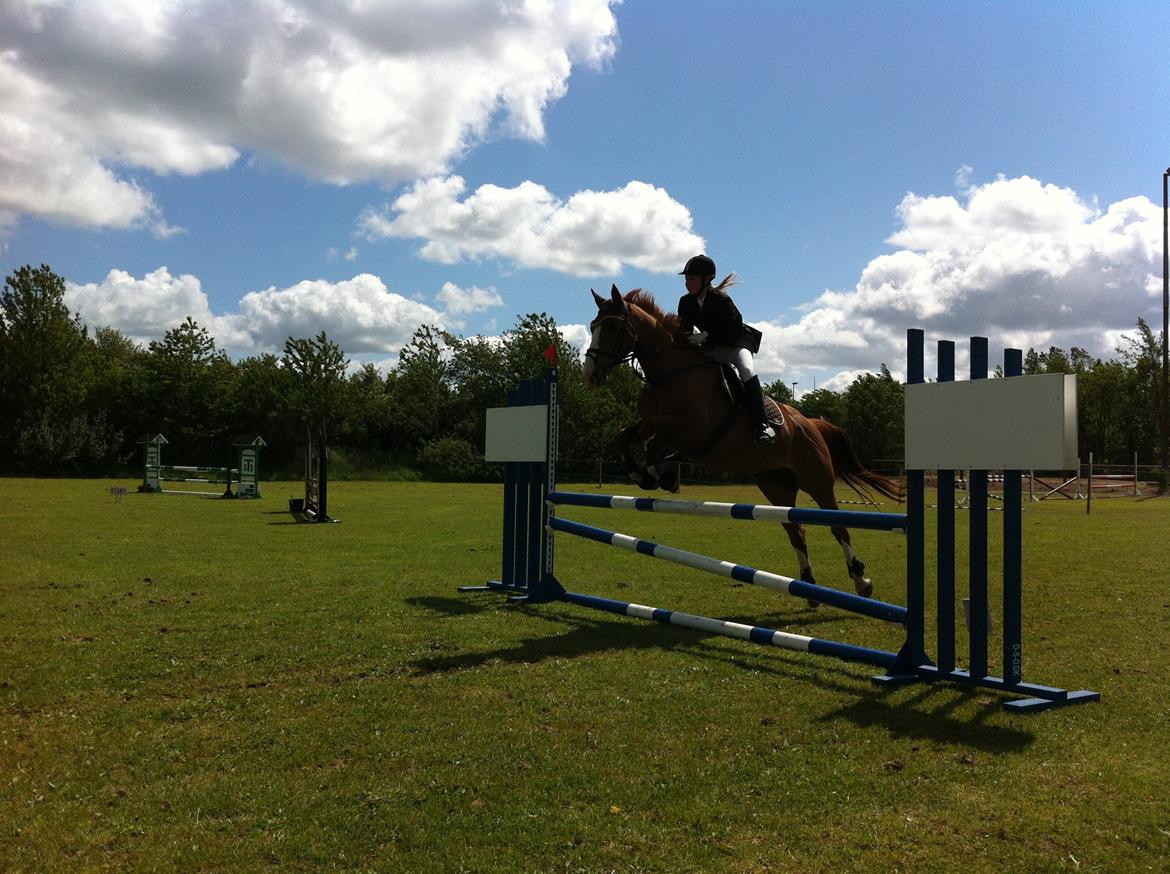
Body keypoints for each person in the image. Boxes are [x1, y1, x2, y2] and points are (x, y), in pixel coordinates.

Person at [677, 254, 776, 444]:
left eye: (691, 278)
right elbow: (685, 329)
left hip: (736, 343)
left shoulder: (721, 300)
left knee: (746, 370)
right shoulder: (686, 302)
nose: (687, 283)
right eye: (686, 279)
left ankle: (763, 424)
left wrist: (704, 335)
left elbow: (733, 330)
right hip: (712, 348)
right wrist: (686, 337)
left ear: (706, 279)